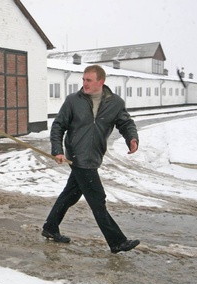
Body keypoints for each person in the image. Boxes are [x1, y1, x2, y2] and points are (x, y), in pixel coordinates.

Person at [42, 65, 140, 254]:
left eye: (88, 80)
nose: (84, 83)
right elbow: (58, 125)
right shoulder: (73, 101)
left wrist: (132, 138)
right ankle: (117, 241)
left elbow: (126, 123)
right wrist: (57, 150)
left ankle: (50, 227)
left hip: (95, 155)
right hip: (78, 156)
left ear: (100, 82)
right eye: (83, 80)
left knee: (70, 193)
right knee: (97, 199)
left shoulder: (115, 103)